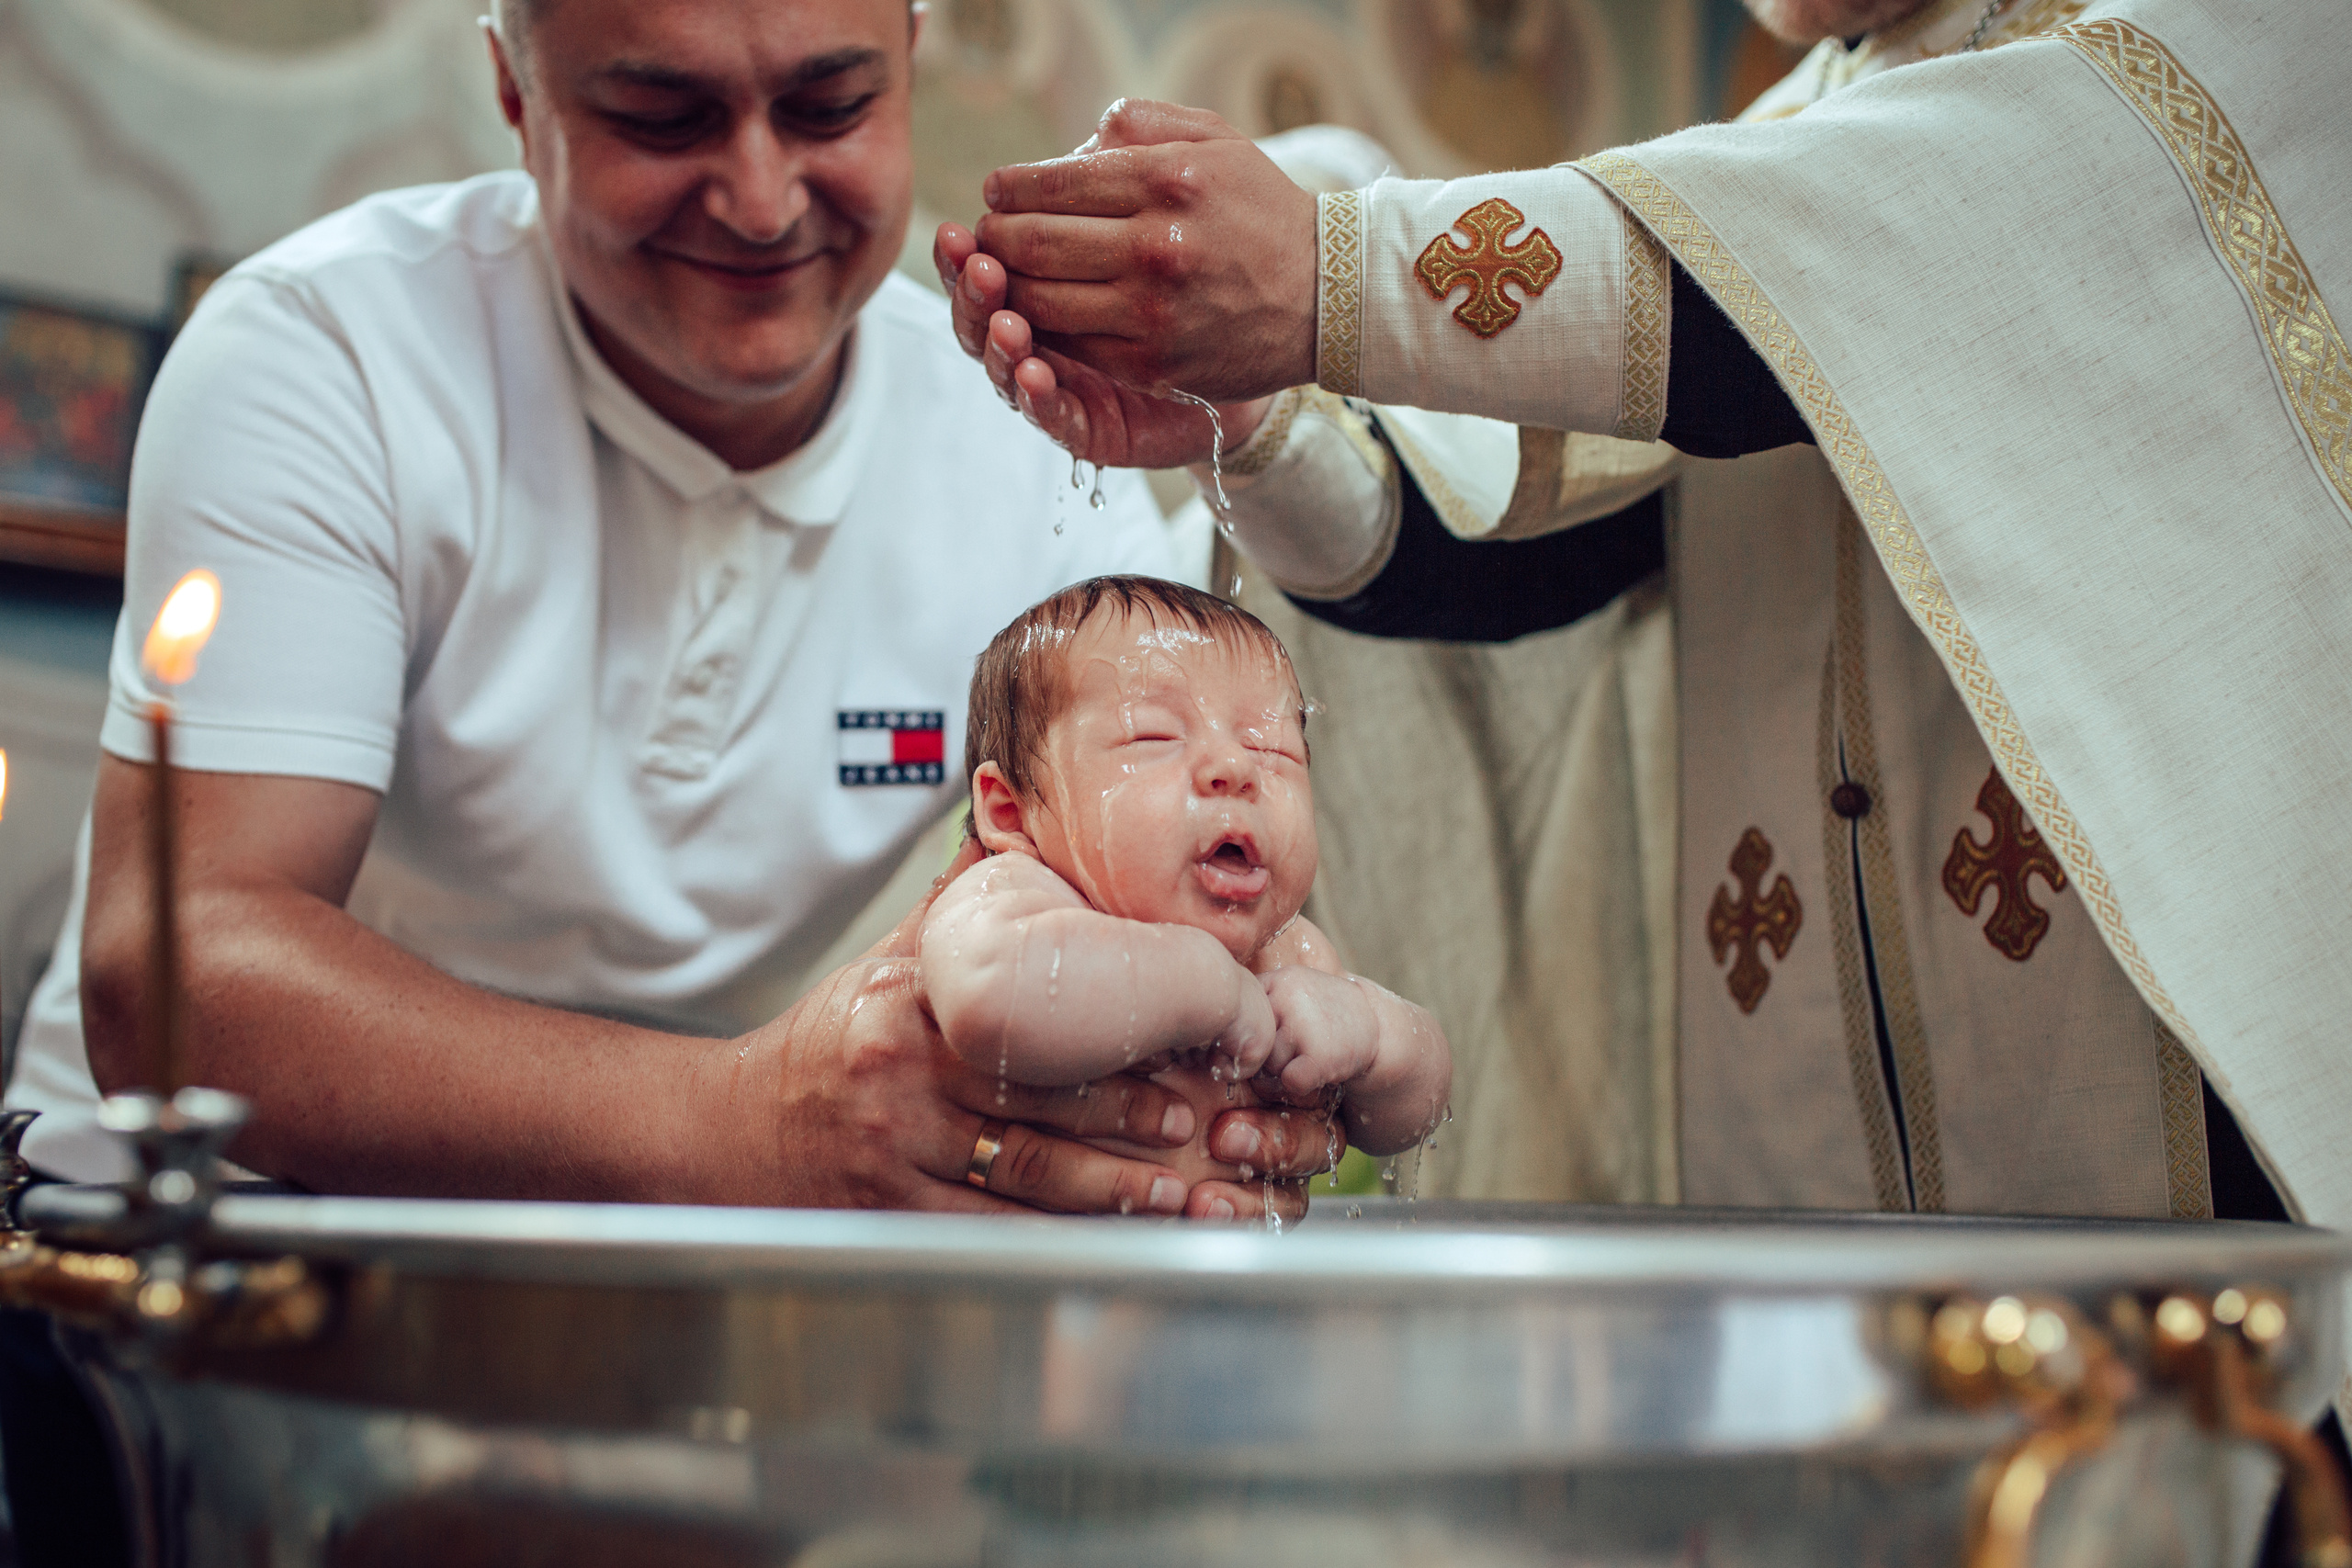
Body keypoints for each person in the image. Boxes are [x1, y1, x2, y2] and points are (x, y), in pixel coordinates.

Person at [935, 0, 2352, 1494]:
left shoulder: (2232, 37)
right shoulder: (1768, 158)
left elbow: (1854, 268)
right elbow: (1493, 553)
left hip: (2211, 1212)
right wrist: (1262, 416)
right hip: (1828, 1222)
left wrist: (1320, 272)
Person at [3, 0, 1350, 1219]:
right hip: (192, 1241)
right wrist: (749, 1116)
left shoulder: (1030, 450)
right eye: (661, 117)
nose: (762, 203)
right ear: (516, 96)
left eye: (831, 107)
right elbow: (179, 972)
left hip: (713, 1259)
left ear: (912, 64)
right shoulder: (326, 355)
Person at [921, 575, 1452, 1184]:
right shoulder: (1020, 894)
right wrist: (1206, 985)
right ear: (1012, 812)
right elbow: (986, 995)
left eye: (1272, 747)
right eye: (1155, 736)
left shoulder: (1285, 951)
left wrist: (1372, 1035)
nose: (1236, 766)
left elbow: (1420, 1111)